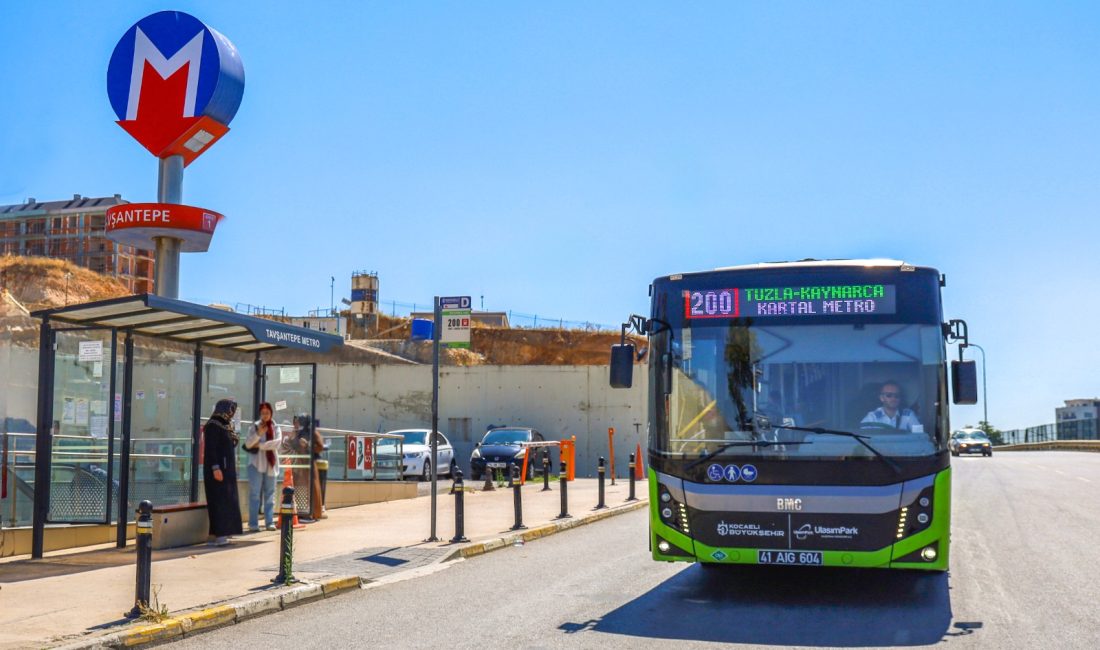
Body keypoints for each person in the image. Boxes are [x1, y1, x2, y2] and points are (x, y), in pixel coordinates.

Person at [202, 399, 243, 545]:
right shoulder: (213, 425)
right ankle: (220, 535)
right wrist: (215, 468)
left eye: (233, 410)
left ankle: (218, 534)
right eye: (230, 409)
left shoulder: (226, 425)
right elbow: (211, 449)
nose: (231, 413)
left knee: (227, 500)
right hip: (218, 470)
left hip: (227, 470)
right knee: (219, 501)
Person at [244, 402, 282, 532]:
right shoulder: (255, 427)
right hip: (256, 464)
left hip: (271, 465)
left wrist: (260, 445)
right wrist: (259, 434)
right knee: (254, 494)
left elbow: (276, 443)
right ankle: (253, 524)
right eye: (263, 413)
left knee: (270, 495)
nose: (265, 415)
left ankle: (269, 522)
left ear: (271, 413)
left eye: (267, 413)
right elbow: (248, 444)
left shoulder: (276, 427)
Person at [280, 413, 324, 521]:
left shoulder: (312, 432)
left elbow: (320, 447)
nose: (296, 423)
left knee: (311, 488)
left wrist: (308, 445)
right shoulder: (297, 433)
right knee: (298, 489)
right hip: (299, 465)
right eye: (295, 421)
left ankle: (312, 514)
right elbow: (290, 445)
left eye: (299, 421)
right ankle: (300, 512)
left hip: (308, 464)